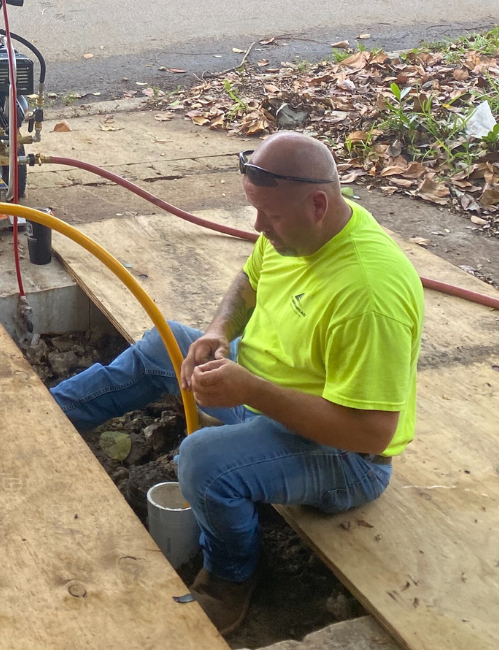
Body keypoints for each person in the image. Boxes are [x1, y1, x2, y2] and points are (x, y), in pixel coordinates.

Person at [50, 132, 423, 635]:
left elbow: (371, 433)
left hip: (344, 456)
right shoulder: (298, 228)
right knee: (166, 344)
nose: (258, 228)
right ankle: (50, 415)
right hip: (263, 392)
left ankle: (229, 577)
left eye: (269, 216)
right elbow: (248, 282)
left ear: (319, 203)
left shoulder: (368, 293)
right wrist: (217, 333)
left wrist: (251, 391)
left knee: (204, 461)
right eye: (255, 212)